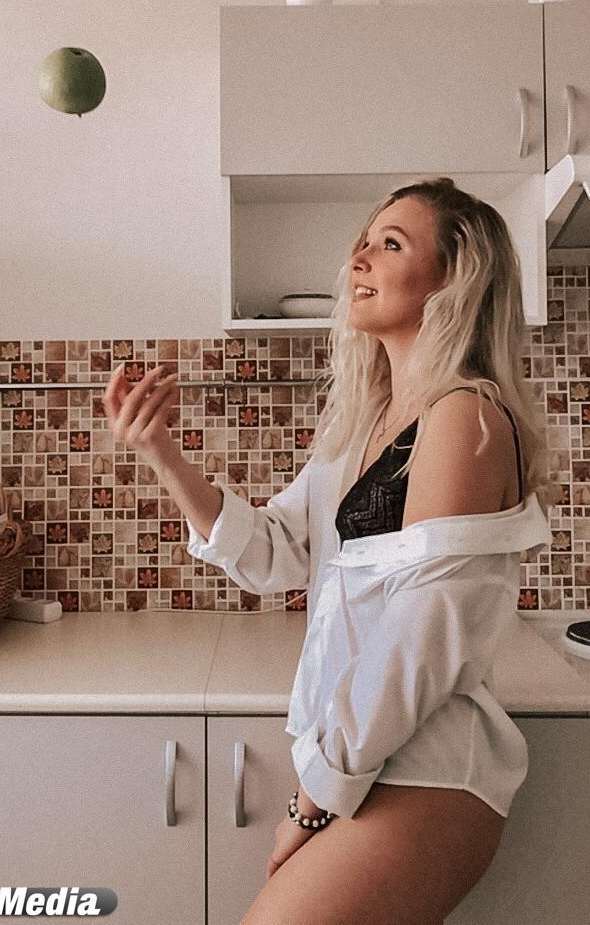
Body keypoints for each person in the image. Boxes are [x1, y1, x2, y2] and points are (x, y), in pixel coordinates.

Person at [103, 177, 555, 924]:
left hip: (427, 769)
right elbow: (275, 553)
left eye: (391, 243)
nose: (358, 259)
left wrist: (313, 797)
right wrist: (162, 453)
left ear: (453, 280)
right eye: (363, 241)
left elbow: (418, 640)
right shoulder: (366, 424)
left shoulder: (463, 418)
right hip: (365, 762)